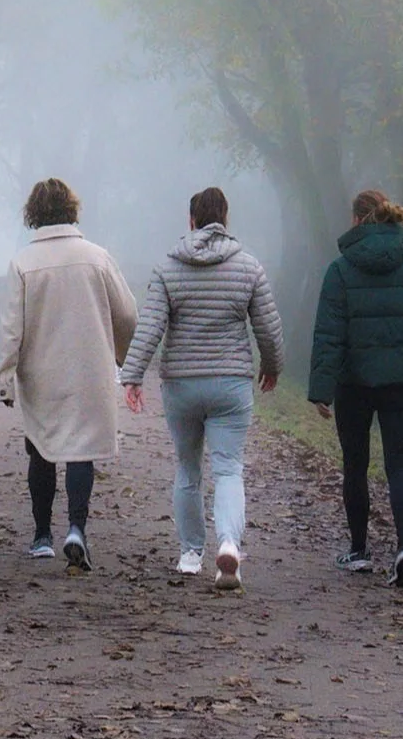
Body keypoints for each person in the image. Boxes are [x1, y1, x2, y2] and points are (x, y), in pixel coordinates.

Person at [119, 187, 283, 589]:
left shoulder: (169, 267)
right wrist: (273, 366)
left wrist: (132, 374)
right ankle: (228, 544)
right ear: (225, 219)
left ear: (191, 220)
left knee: (187, 468)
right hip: (231, 383)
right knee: (228, 469)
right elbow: (267, 327)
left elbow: (151, 325)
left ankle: (191, 553)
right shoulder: (247, 267)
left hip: (182, 384)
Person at [307, 188, 403, 588]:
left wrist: (321, 388)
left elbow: (329, 334)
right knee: (399, 466)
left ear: (356, 221)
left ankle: (359, 551)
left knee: (356, 465)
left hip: (354, 384)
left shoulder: (340, 270)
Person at [0, 178, 137, 573]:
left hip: (40, 373)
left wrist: (4, 377)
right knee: (81, 451)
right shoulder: (98, 258)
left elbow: (11, 328)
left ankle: (42, 536)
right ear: (72, 210)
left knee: (41, 449)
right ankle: (76, 528)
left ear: (33, 215)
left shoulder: (23, 263)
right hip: (88, 370)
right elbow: (127, 314)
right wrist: (121, 356)